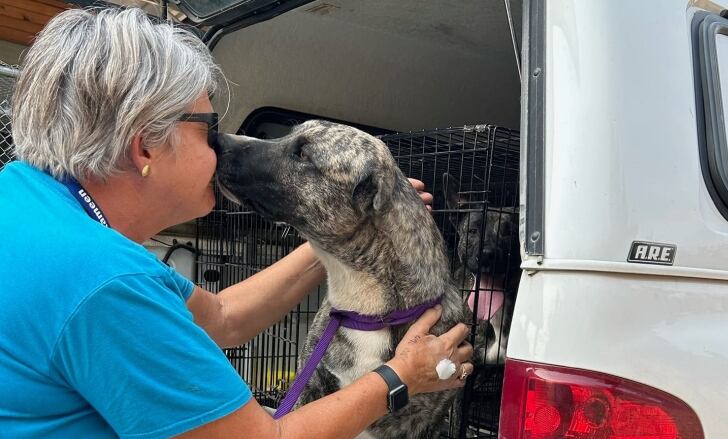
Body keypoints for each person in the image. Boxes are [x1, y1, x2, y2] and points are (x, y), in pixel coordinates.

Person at [0, 7, 473, 439]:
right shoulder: (105, 283)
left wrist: (345, 233)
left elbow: (223, 318)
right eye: (208, 127)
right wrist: (401, 376)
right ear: (145, 146)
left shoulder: (26, 200)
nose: (225, 141)